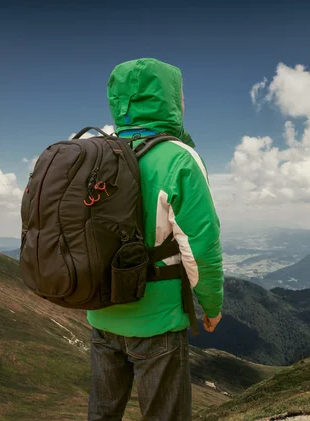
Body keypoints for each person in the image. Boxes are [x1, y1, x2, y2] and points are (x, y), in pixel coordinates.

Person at [86, 58, 224, 421]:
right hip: (158, 321)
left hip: (101, 311)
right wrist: (211, 305)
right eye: (180, 95)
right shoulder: (179, 159)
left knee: (101, 415)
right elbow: (201, 247)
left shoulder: (94, 153)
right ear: (168, 100)